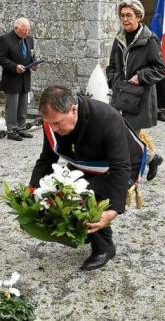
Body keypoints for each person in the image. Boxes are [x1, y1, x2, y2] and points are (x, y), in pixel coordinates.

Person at [29, 86, 144, 270]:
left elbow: (121, 166)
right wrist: (33, 189)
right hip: (85, 160)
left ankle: (104, 247)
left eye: (58, 123)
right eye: (51, 124)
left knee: (84, 193)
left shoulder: (107, 118)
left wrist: (113, 210)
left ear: (73, 109)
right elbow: (47, 158)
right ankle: (87, 231)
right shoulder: (53, 121)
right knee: (61, 188)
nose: (54, 129)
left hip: (122, 162)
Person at [106, 0, 165, 180]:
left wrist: (140, 76)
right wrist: (114, 80)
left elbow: (160, 69)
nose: (125, 19)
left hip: (140, 98)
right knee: (121, 134)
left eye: (129, 15)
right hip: (120, 94)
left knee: (128, 137)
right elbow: (112, 66)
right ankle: (151, 158)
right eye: (122, 15)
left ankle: (128, 174)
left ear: (138, 17)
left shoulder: (149, 40)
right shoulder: (119, 38)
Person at [0, 18, 36, 141]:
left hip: (25, 78)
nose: (26, 34)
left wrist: (34, 63)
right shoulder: (6, 39)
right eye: (24, 31)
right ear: (16, 29)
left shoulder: (29, 39)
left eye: (28, 31)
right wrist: (15, 67)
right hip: (12, 78)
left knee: (23, 106)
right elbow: (0, 58)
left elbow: (31, 55)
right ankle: (12, 131)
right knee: (12, 107)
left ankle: (21, 128)